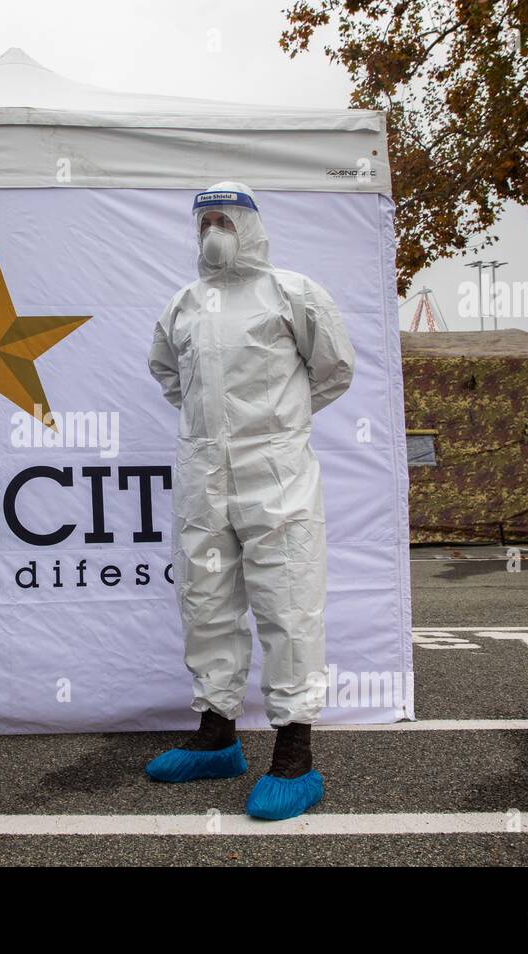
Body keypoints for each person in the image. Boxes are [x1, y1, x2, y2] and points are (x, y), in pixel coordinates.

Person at [146, 181, 355, 820]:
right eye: (204, 218)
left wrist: (277, 424)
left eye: (225, 219)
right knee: (206, 602)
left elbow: (335, 368)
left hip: (278, 475)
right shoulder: (184, 303)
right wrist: (215, 434)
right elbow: (165, 373)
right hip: (204, 475)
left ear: (250, 225)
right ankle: (216, 735)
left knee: (287, 603)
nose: (214, 229)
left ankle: (294, 753)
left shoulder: (291, 292)